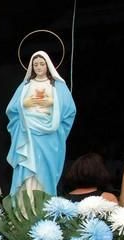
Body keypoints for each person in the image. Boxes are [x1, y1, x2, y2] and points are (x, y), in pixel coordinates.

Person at [6, 50, 76, 197]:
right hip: (27, 132)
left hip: (50, 133)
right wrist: (26, 102)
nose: (38, 67)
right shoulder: (25, 86)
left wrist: (52, 102)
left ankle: (43, 205)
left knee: (45, 169)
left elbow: (70, 110)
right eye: (35, 64)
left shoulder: (57, 86)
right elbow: (12, 109)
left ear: (48, 65)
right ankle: (23, 208)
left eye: (42, 64)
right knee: (26, 167)